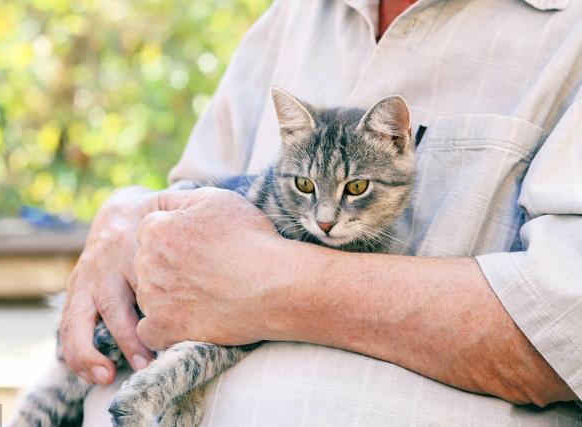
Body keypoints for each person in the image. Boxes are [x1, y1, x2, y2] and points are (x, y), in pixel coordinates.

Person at [60, 0, 582, 425]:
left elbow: (568, 326)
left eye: (353, 188)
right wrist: (125, 211)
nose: (327, 217)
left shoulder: (567, 27)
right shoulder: (292, 16)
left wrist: (266, 282)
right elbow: (181, 204)